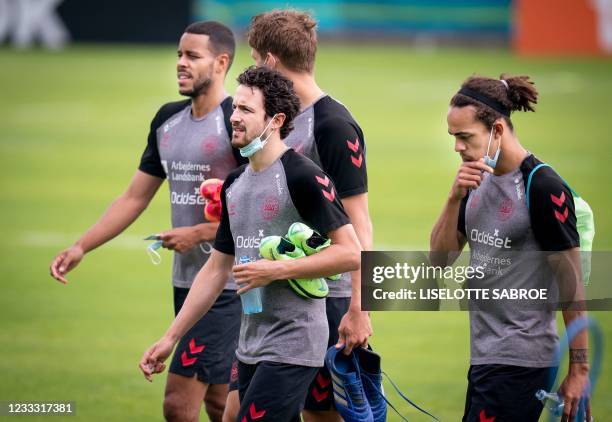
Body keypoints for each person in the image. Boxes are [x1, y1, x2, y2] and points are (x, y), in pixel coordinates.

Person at [139, 65, 362, 422]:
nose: (234, 117)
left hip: (294, 343)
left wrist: (276, 269)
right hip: (250, 343)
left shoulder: (303, 176)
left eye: (245, 110)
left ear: (275, 120)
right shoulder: (234, 184)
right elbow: (216, 270)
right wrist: (170, 338)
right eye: (234, 108)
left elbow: (351, 253)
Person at [49, 21, 244, 422]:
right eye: (178, 54)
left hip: (230, 286)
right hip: (186, 283)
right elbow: (135, 197)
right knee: (222, 404)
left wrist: (199, 233)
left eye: (192, 56)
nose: (180, 63)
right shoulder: (167, 120)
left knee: (178, 404)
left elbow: (259, 211)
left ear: (221, 62)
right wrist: (82, 245)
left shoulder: (237, 123)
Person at [223, 10, 373, 421]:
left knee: (321, 417)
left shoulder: (332, 123)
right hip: (277, 297)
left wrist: (360, 309)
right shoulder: (277, 122)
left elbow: (360, 224)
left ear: (269, 61)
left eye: (253, 59)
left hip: (329, 299)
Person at [430, 74, 590, 422]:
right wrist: (454, 197)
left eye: (464, 137)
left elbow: (572, 284)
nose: (457, 147)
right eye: (453, 137)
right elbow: (439, 260)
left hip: (521, 359)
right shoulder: (475, 176)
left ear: (497, 131)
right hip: (485, 356)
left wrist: (580, 370)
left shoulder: (543, 186)